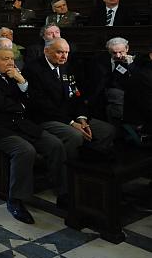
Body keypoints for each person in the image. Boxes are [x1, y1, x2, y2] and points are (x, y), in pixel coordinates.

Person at [0, 47, 67, 224]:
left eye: (12, 58)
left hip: (18, 123)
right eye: (5, 59)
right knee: (24, 150)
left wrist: (21, 81)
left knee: (54, 144)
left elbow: (31, 99)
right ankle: (16, 200)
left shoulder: (13, 74)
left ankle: (62, 191)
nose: (11, 62)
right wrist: (20, 106)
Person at [24, 38, 116, 168]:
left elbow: (76, 95)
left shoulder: (67, 67)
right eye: (60, 52)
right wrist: (71, 123)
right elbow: (41, 104)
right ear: (46, 51)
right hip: (46, 117)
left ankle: (91, 168)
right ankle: (68, 174)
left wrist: (82, 118)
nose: (64, 56)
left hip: (71, 116)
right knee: (75, 135)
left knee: (107, 130)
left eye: (66, 52)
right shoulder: (33, 69)